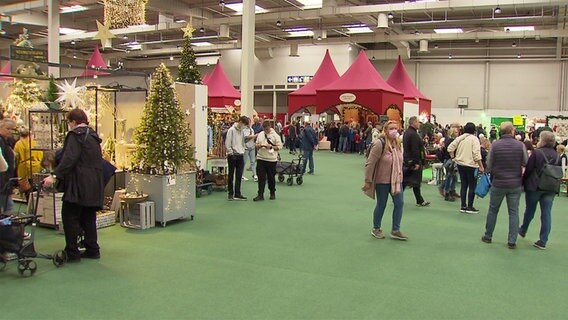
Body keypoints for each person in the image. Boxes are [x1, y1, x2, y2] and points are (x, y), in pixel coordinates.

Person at [42, 109, 104, 262]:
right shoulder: (93, 136)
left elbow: (69, 158)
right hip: (95, 182)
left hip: (78, 183)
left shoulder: (75, 135)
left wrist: (54, 175)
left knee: (70, 216)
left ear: (73, 122)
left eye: (69, 122)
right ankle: (92, 248)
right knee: (88, 216)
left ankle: (72, 252)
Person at [481, 122, 528, 249]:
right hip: (515, 184)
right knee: (513, 212)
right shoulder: (520, 145)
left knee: (493, 210)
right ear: (512, 131)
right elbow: (525, 162)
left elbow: (489, 166)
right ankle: (512, 241)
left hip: (498, 183)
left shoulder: (495, 145)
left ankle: (488, 236)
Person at [363, 120, 407, 241]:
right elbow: (370, 163)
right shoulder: (379, 143)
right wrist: (368, 180)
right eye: (391, 128)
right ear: (385, 130)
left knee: (399, 203)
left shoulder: (397, 143)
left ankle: (395, 230)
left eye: (396, 128)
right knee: (381, 204)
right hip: (382, 181)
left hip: (396, 180)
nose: (394, 131)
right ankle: (376, 228)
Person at [519, 131, 561, 250]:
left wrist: (523, 182)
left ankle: (523, 229)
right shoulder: (557, 155)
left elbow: (529, 169)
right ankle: (543, 240)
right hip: (551, 187)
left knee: (530, 210)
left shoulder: (537, 153)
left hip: (535, 187)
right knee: (546, 213)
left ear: (542, 140)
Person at [447, 122, 484, 213]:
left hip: (460, 164)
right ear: (474, 130)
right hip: (471, 165)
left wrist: (453, 158)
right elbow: (476, 154)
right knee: (472, 186)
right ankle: (470, 207)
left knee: (464, 185)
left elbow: (450, 148)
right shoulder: (474, 139)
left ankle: (463, 206)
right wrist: (481, 166)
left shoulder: (460, 138)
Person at [403, 116, 430, 207]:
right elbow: (415, 149)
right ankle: (418, 200)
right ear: (413, 123)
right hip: (413, 161)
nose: (419, 124)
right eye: (418, 122)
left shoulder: (407, 132)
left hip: (408, 160)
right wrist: (416, 163)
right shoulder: (413, 134)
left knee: (410, 182)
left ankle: (419, 200)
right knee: (411, 181)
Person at [254, 120, 283, 201]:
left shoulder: (276, 136)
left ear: (270, 127)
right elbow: (256, 145)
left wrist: (271, 147)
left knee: (271, 178)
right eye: (264, 129)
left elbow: (280, 147)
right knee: (261, 177)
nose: (265, 131)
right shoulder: (260, 134)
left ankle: (272, 192)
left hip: (271, 160)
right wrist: (260, 145)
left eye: (267, 129)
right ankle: (260, 194)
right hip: (261, 159)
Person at [225, 116, 249, 201]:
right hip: (232, 156)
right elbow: (227, 143)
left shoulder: (242, 132)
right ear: (240, 122)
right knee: (231, 175)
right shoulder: (231, 130)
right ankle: (230, 193)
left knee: (239, 175)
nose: (245, 126)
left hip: (240, 155)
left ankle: (238, 193)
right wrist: (231, 153)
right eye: (244, 124)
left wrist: (242, 150)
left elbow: (242, 142)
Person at [0, 119, 16, 213]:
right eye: (8, 128)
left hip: (7, 178)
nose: (10, 131)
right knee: (8, 206)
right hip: (2, 179)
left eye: (11, 129)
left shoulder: (8, 142)